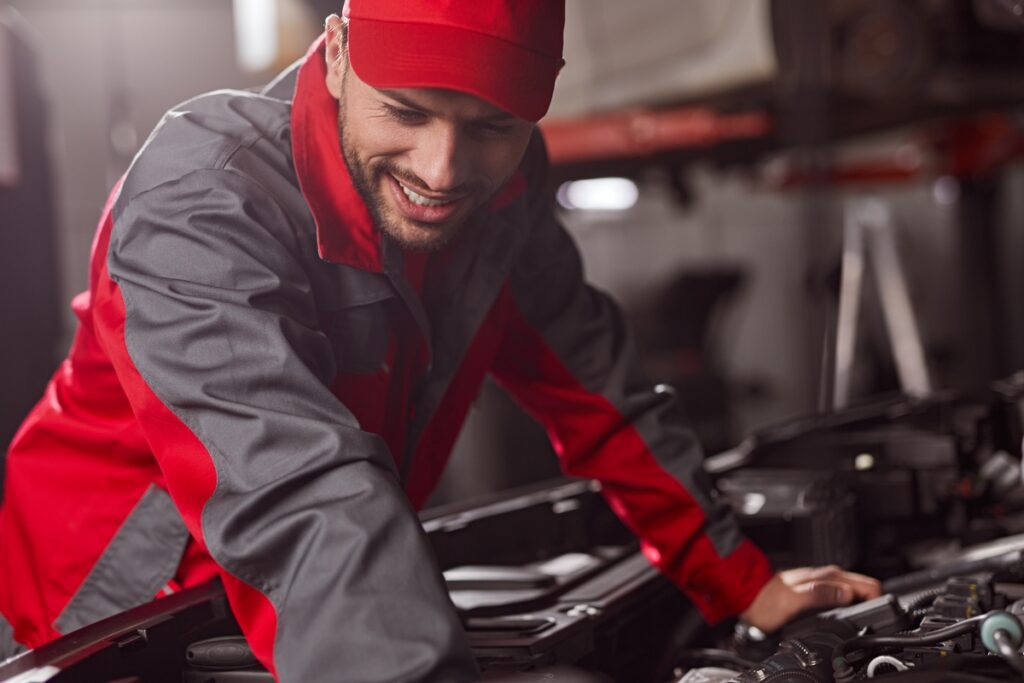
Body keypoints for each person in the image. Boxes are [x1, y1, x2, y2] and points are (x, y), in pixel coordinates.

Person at [0, 1, 880, 680]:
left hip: (319, 616)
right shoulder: (201, 198)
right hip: (99, 627)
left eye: (492, 126)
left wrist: (740, 581)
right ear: (339, 54)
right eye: (409, 112)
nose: (442, 171)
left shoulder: (503, 194)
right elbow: (300, 499)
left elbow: (598, 390)